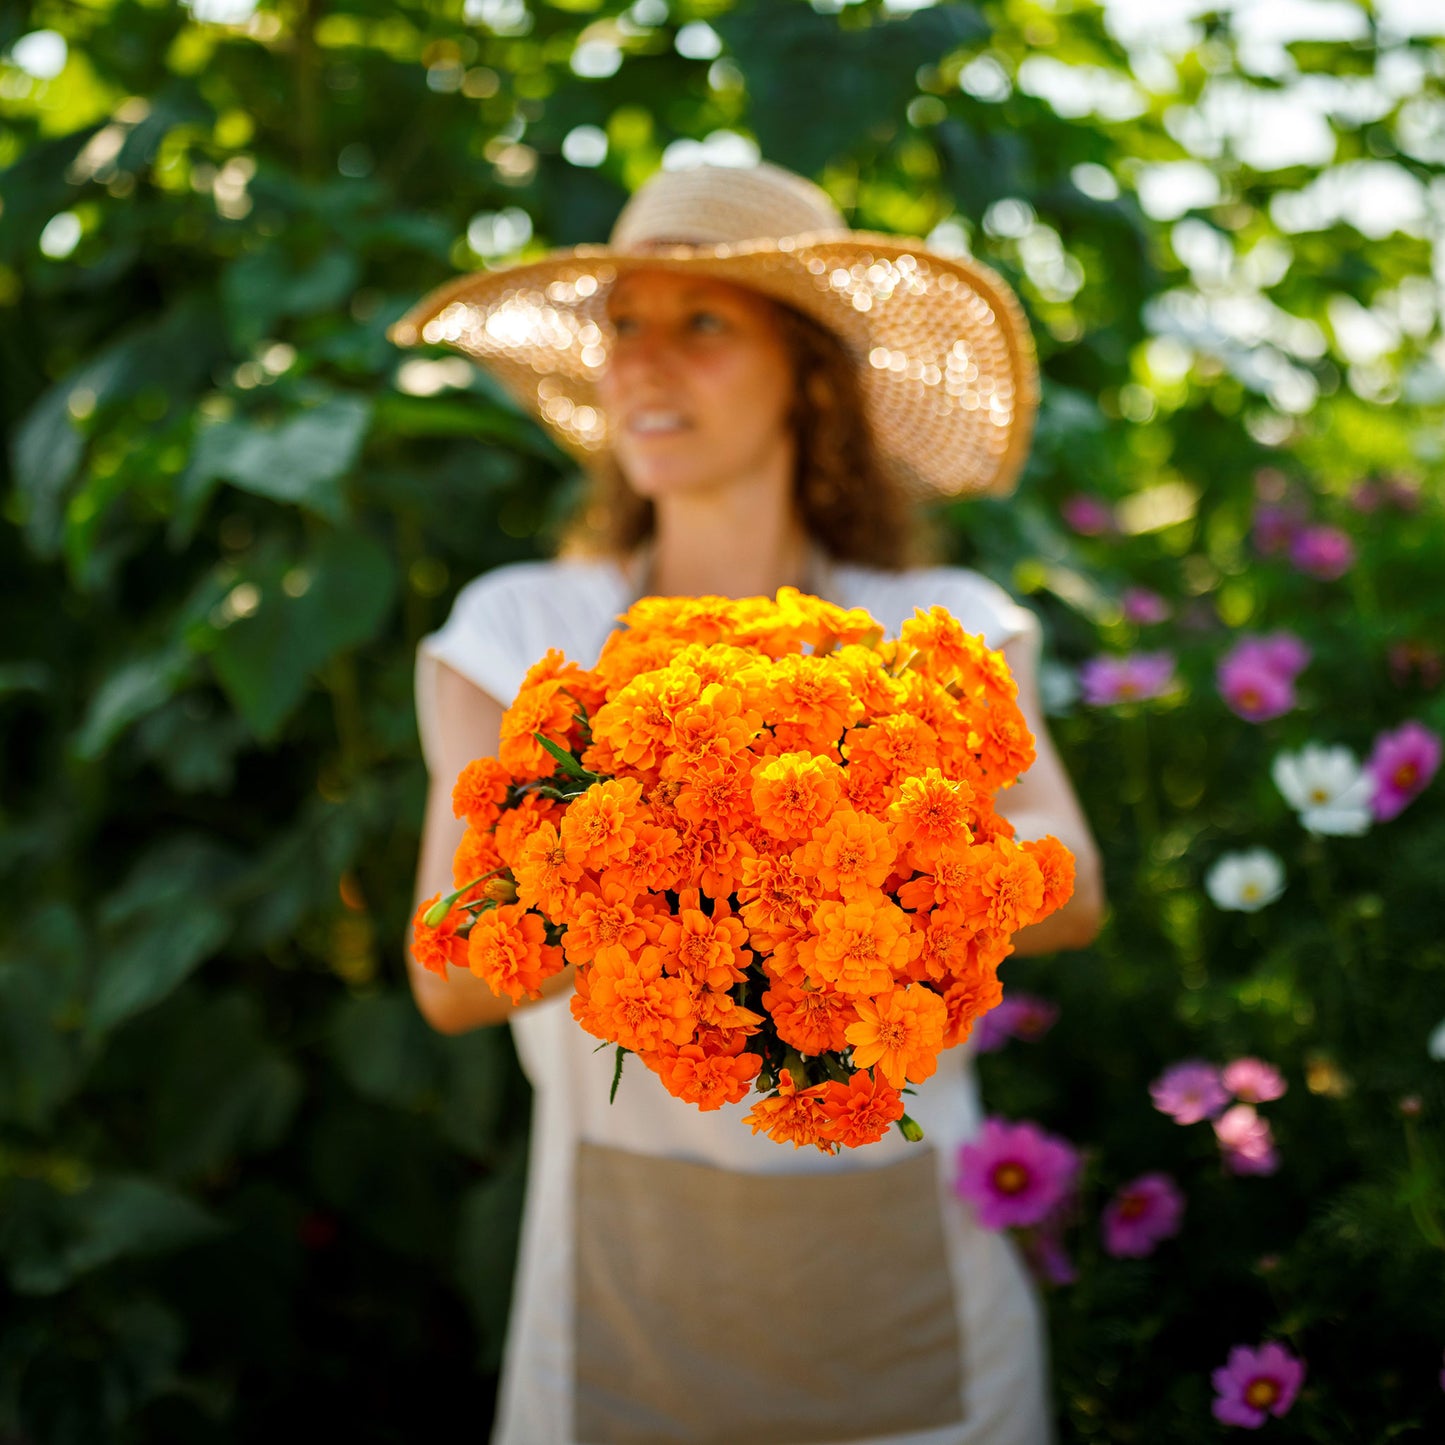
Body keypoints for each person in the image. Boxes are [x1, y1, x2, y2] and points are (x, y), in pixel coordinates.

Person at [393, 160, 1104, 1445]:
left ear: (810, 373)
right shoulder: (516, 631)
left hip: (908, 1289)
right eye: (622, 325)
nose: (642, 362)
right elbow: (447, 970)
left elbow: (1070, 883)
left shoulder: (933, 631)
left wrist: (831, 856)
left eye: (702, 322)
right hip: (620, 1295)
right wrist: (662, 866)